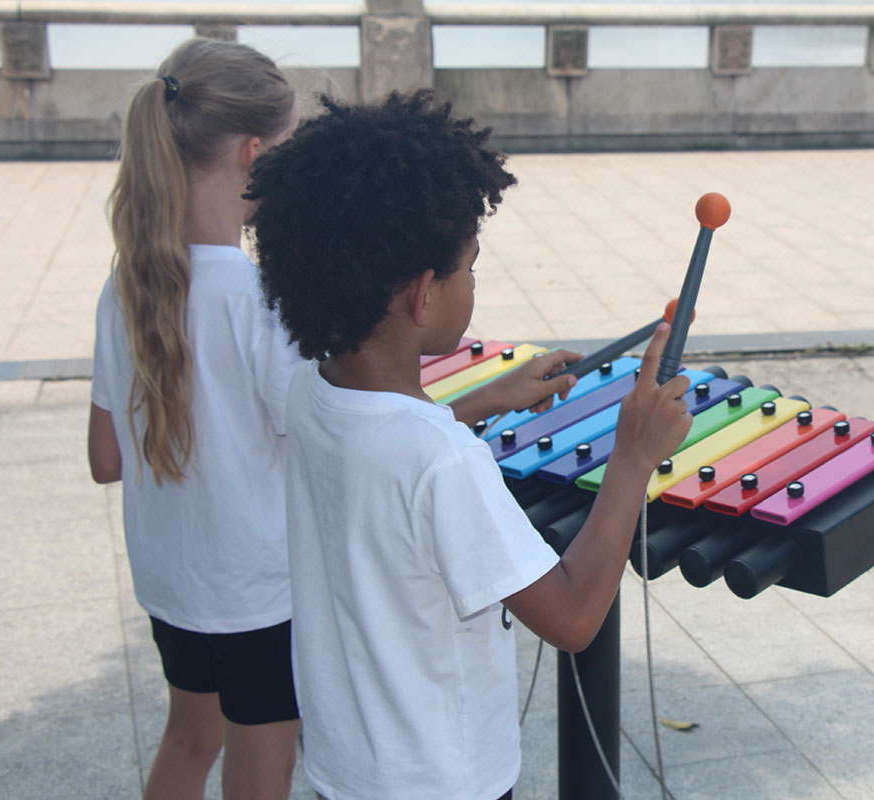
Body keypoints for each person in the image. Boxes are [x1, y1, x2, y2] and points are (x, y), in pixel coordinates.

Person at [246, 90, 693, 800]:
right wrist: (633, 456)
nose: (473, 282)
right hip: (443, 782)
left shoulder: (314, 391)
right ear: (423, 295)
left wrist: (485, 401)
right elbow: (573, 617)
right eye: (471, 267)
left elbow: (388, 458)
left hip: (348, 768)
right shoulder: (442, 461)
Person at [86, 38, 306, 800]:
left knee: (190, 738)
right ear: (254, 154)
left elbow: (106, 457)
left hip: (173, 582)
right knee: (261, 764)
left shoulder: (124, 290)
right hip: (257, 591)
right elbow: (318, 441)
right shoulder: (257, 302)